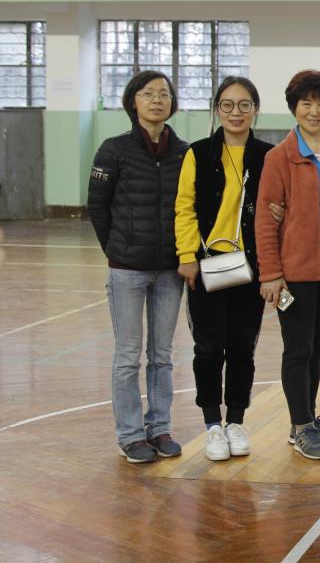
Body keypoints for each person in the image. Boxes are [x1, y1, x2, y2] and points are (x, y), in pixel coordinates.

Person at [88, 71, 188, 464]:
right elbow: (98, 206)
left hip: (170, 272)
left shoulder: (183, 152)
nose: (157, 100)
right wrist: (116, 249)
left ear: (172, 103)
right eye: (148, 94)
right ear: (134, 101)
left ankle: (159, 427)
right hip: (126, 270)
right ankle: (130, 435)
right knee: (128, 356)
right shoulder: (113, 150)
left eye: (164, 94)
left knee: (162, 355)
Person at [256, 70, 320, 461]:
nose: (314, 111)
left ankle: (309, 419)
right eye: (306, 103)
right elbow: (266, 220)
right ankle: (300, 428)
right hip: (295, 274)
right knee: (298, 350)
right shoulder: (278, 157)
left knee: (315, 350)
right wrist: (271, 274)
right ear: (294, 108)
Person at [174, 77, 274, 461]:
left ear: (255, 110)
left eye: (244, 105)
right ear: (217, 109)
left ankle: (236, 421)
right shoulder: (197, 153)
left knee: (243, 346)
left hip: (251, 266)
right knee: (208, 346)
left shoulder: (267, 156)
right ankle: (212, 425)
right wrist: (187, 256)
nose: (236, 112)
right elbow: (184, 207)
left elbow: (277, 209)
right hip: (207, 264)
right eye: (228, 105)